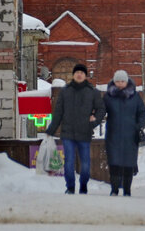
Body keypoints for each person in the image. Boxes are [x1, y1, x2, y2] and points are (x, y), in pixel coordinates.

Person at [45, 63, 105, 194]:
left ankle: (83, 185)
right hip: (68, 134)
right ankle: (70, 187)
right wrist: (51, 129)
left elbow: (101, 109)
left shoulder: (93, 92)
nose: (79, 74)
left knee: (85, 165)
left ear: (85, 76)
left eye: (82, 73)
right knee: (69, 162)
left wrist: (94, 120)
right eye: (77, 72)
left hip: (85, 132)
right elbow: (58, 112)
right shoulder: (65, 91)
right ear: (73, 75)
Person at [103, 69, 145, 196]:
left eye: (122, 81)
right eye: (118, 81)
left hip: (131, 136)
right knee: (114, 163)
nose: (120, 83)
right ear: (114, 82)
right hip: (113, 135)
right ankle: (114, 190)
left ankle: (127, 191)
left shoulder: (135, 96)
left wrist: (139, 126)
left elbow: (142, 112)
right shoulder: (108, 96)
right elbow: (101, 110)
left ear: (127, 81)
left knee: (129, 164)